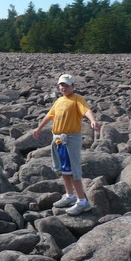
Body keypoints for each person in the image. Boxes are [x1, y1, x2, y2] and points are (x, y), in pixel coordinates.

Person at [33, 74, 100, 216]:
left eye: (66, 85)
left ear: (73, 86)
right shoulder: (58, 101)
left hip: (71, 139)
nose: (63, 87)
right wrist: (39, 128)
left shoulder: (77, 99)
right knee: (64, 170)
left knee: (74, 170)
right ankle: (70, 195)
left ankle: (82, 201)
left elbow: (86, 110)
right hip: (58, 139)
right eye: (61, 85)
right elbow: (49, 115)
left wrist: (92, 120)